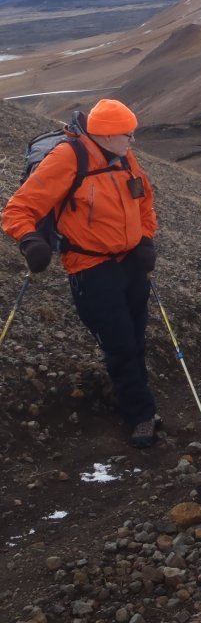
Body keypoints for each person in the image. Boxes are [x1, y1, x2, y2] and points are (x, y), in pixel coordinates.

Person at [1, 99, 160, 448]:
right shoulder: (68, 158)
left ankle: (139, 402)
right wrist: (31, 242)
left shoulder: (123, 158)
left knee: (135, 337)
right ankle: (140, 415)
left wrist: (146, 238)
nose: (132, 141)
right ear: (105, 134)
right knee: (119, 344)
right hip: (91, 268)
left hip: (131, 262)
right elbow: (18, 209)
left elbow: (144, 201)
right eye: (127, 134)